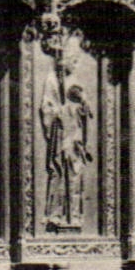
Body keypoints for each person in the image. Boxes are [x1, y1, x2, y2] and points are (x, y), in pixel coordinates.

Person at [41, 46, 92, 231]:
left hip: (75, 136)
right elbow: (46, 108)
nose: (75, 65)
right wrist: (58, 112)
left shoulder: (74, 81)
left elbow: (82, 110)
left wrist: (83, 106)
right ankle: (56, 215)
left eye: (77, 61)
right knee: (60, 172)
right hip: (61, 135)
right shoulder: (53, 80)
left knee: (75, 174)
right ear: (64, 60)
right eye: (74, 60)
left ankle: (75, 215)